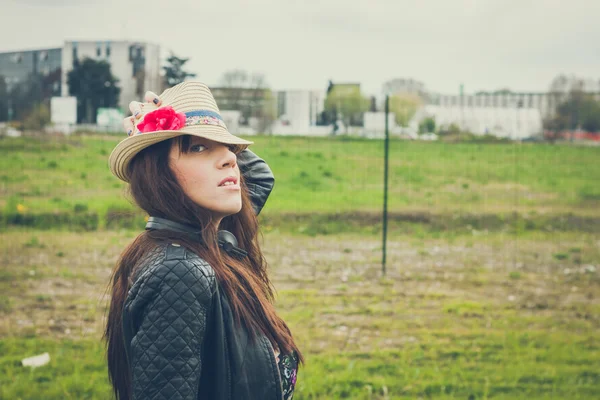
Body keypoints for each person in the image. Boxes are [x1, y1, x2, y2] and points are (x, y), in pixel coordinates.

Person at [104, 81, 302, 400]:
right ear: (158, 172)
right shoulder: (179, 272)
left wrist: (196, 124)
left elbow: (260, 178)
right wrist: (154, 132)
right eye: (198, 147)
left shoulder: (211, 242)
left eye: (228, 148)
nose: (230, 160)